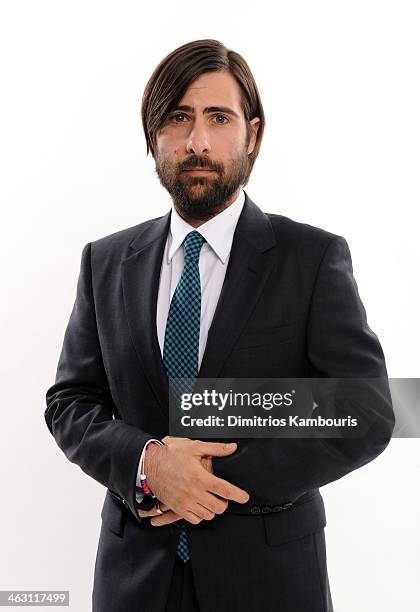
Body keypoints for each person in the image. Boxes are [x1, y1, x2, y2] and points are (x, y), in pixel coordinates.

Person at [45, 39, 394, 612]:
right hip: (133, 581)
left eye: (218, 118)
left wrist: (207, 476)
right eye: (178, 118)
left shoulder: (312, 258)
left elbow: (367, 410)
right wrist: (148, 462)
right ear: (153, 137)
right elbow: (70, 401)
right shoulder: (104, 262)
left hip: (271, 582)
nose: (197, 142)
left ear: (252, 135)